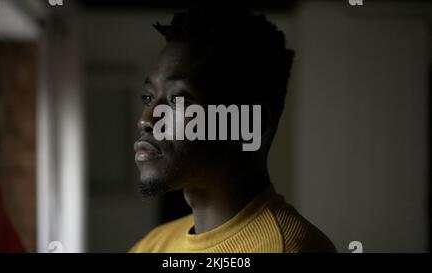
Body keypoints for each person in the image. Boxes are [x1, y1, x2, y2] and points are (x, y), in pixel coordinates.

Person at [130, 6, 336, 253]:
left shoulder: (285, 249)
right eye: (148, 97)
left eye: (179, 99)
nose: (146, 119)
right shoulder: (152, 245)